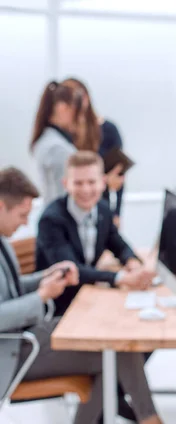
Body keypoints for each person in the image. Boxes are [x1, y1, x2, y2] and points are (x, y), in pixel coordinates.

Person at [0, 167, 163, 424]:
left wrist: (43, 277)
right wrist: (42, 295)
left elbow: (10, 287)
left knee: (113, 342)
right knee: (116, 349)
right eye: (21, 215)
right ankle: (150, 419)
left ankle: (146, 418)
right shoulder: (49, 219)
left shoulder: (2, 241)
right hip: (13, 349)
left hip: (31, 332)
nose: (24, 223)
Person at [35, 150, 154, 316]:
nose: (86, 189)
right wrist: (121, 277)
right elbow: (72, 269)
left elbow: (118, 244)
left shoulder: (103, 210)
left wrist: (132, 262)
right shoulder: (51, 220)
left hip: (88, 296)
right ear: (65, 184)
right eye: (78, 183)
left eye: (91, 182)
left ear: (103, 182)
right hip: (61, 309)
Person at [62, 77, 126, 228]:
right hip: (70, 209)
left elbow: (119, 178)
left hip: (100, 207)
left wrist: (116, 214)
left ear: (86, 97)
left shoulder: (108, 130)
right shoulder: (64, 134)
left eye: (79, 97)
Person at [30, 81, 81, 206]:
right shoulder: (57, 148)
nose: (80, 119)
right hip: (60, 220)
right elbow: (64, 195)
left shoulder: (46, 140)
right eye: (78, 111)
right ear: (63, 108)